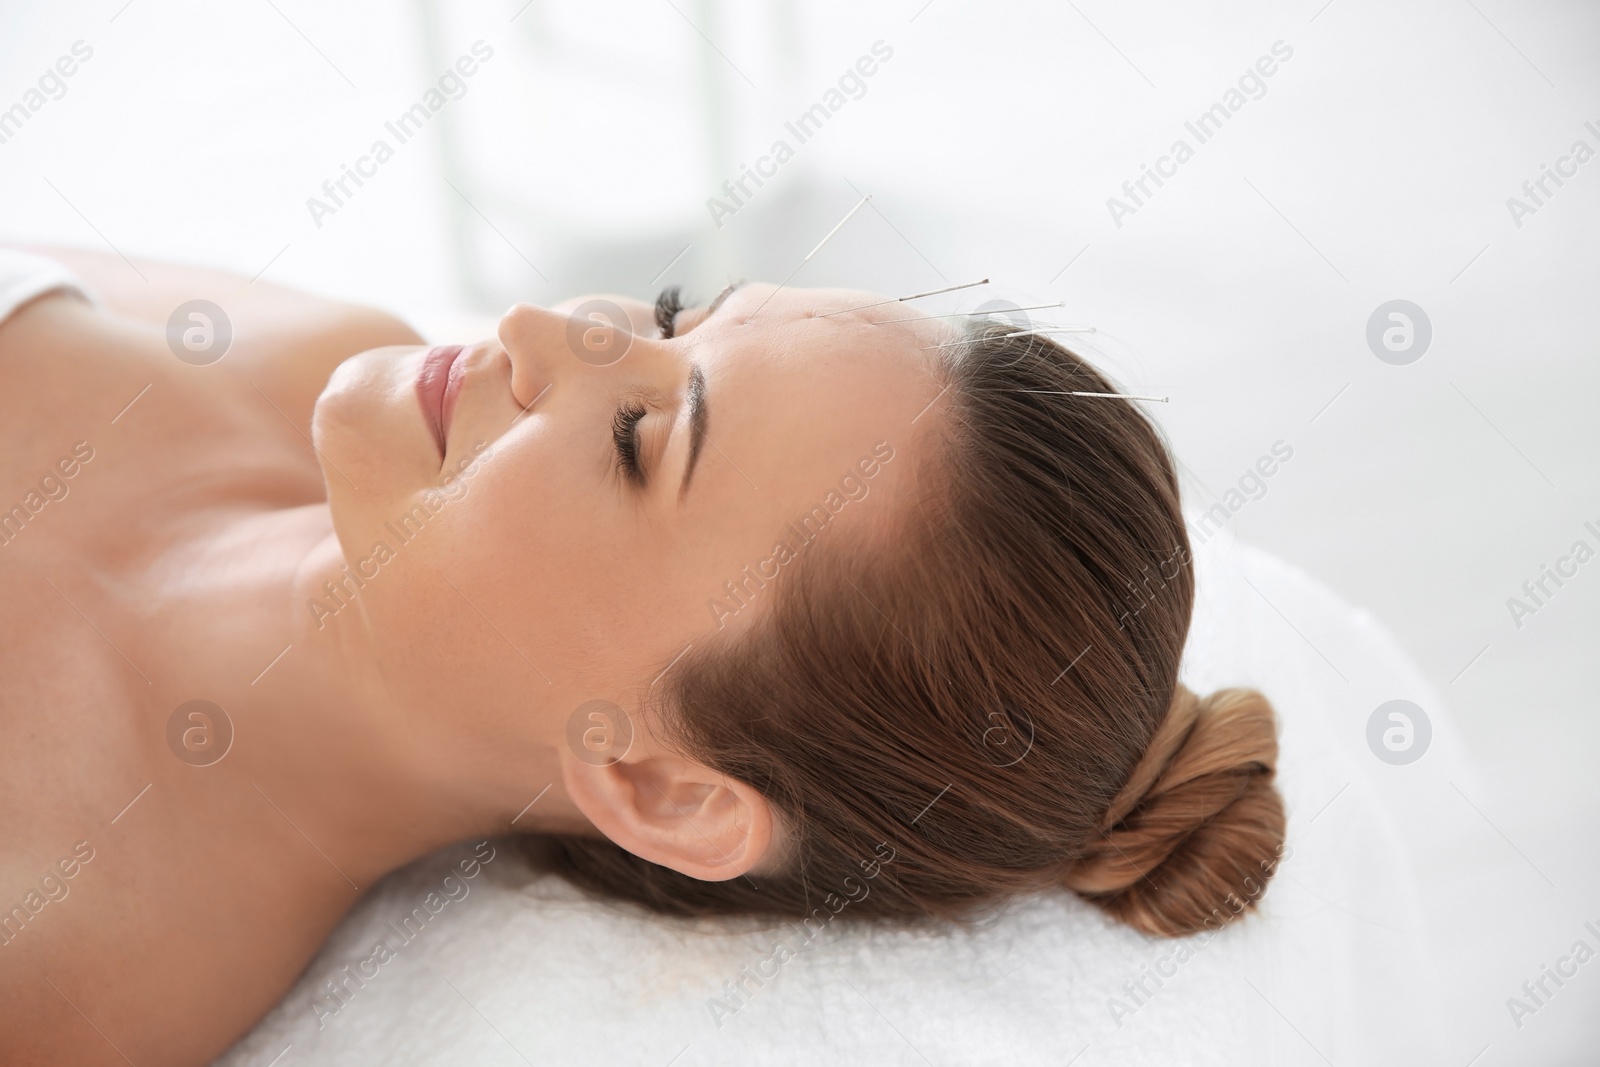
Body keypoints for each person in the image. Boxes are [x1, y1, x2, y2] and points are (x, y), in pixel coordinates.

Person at [0, 247, 1284, 1065]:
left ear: (664, 786)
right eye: (674, 315)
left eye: (636, 441)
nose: (537, 327)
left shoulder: (67, 969)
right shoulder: (307, 348)